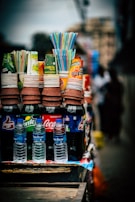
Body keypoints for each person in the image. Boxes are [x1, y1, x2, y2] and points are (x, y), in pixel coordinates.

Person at [103, 68, 124, 141]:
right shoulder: (118, 84)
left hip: (111, 106)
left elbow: (107, 94)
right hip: (116, 105)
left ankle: (111, 135)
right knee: (116, 121)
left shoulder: (110, 84)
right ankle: (116, 136)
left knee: (111, 121)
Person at [92, 65, 111, 131]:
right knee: (103, 116)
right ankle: (104, 130)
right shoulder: (97, 79)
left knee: (108, 116)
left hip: (108, 101)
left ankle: (107, 130)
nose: (102, 72)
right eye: (101, 71)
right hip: (100, 101)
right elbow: (94, 90)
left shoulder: (106, 76)